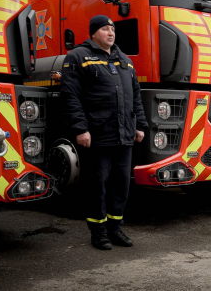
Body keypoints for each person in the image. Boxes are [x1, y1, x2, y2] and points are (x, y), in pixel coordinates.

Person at [61, 15, 148, 250]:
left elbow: (135, 98)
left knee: (121, 185)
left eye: (112, 29)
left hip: (124, 134)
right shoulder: (78, 57)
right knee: (97, 185)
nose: (111, 33)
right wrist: (80, 129)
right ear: (93, 33)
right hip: (97, 135)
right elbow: (71, 96)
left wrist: (140, 125)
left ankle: (115, 229)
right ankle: (98, 232)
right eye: (105, 29)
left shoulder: (125, 61)